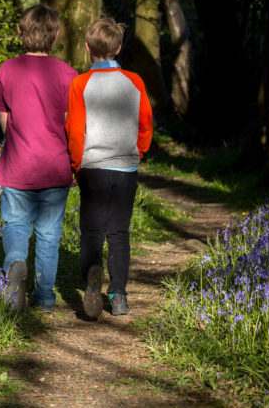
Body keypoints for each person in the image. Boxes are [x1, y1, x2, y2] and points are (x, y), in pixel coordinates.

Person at [0, 4, 77, 314]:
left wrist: (12, 140)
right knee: (50, 235)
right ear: (56, 34)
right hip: (55, 165)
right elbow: (70, 122)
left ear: (20, 33)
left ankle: (15, 265)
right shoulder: (68, 74)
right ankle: (45, 297)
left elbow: (4, 117)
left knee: (15, 224)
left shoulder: (8, 69)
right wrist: (75, 163)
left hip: (17, 165)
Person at [65, 17, 153, 319]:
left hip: (92, 167)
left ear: (87, 48)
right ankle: (118, 295)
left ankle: (92, 283)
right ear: (118, 48)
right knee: (119, 232)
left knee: (91, 230)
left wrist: (76, 165)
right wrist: (138, 152)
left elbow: (75, 131)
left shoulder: (80, 83)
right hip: (125, 167)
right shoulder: (135, 81)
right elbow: (146, 124)